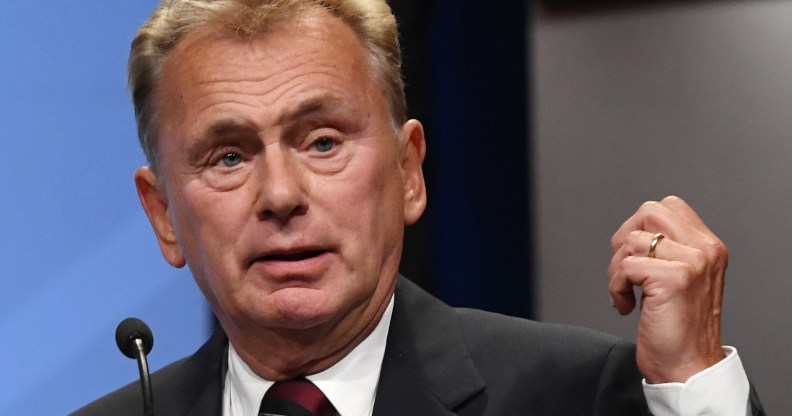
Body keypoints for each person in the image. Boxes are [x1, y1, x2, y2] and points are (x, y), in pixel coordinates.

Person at [73, 0, 763, 415]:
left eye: (321, 141)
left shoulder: (574, 396)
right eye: (228, 156)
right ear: (164, 214)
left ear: (408, 172)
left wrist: (691, 385)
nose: (280, 196)